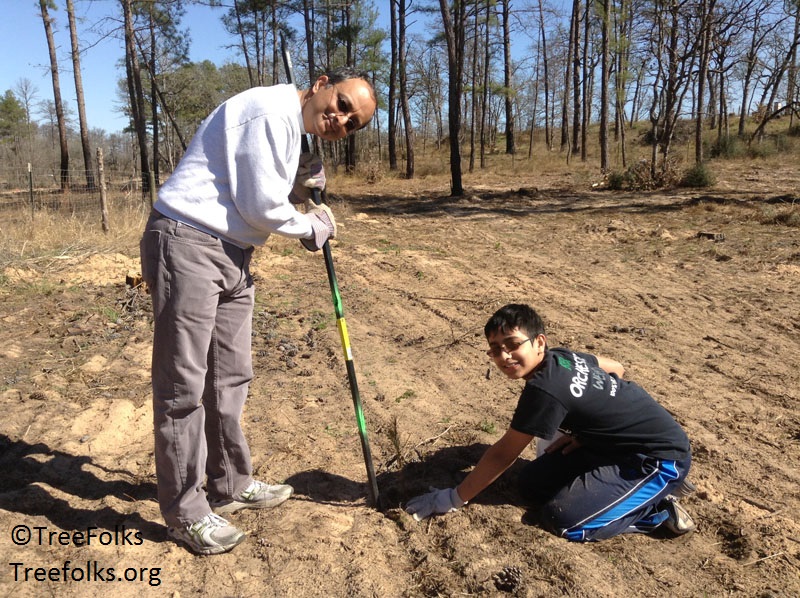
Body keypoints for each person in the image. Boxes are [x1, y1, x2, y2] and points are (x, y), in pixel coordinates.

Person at [139, 68, 377, 555]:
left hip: (233, 254)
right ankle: (186, 513)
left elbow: (256, 188)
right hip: (188, 240)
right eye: (344, 103)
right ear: (322, 83)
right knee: (183, 385)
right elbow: (260, 206)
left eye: (352, 123)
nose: (342, 119)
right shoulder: (271, 111)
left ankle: (229, 481)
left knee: (230, 375)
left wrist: (299, 182)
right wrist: (311, 224)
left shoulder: (291, 130)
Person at [406, 303, 695, 541]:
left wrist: (454, 499)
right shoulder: (561, 358)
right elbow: (616, 368)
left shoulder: (545, 389)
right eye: (495, 349)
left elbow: (504, 453)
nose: (504, 356)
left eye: (512, 344)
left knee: (567, 522)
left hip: (658, 458)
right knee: (531, 485)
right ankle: (627, 488)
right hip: (610, 446)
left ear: (539, 341)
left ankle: (656, 510)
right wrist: (587, 434)